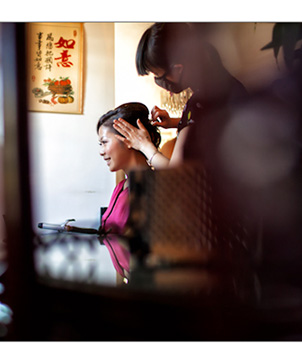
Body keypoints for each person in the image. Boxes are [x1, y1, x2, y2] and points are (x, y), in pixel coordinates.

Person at [112, 23, 248, 169]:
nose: (158, 82)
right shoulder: (225, 84)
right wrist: (176, 122)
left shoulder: (199, 103)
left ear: (177, 70)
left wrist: (145, 146)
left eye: (158, 75)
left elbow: (176, 173)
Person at [97, 102, 161, 235]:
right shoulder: (121, 187)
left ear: (128, 139)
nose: (101, 152)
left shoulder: (154, 187)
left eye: (104, 142)